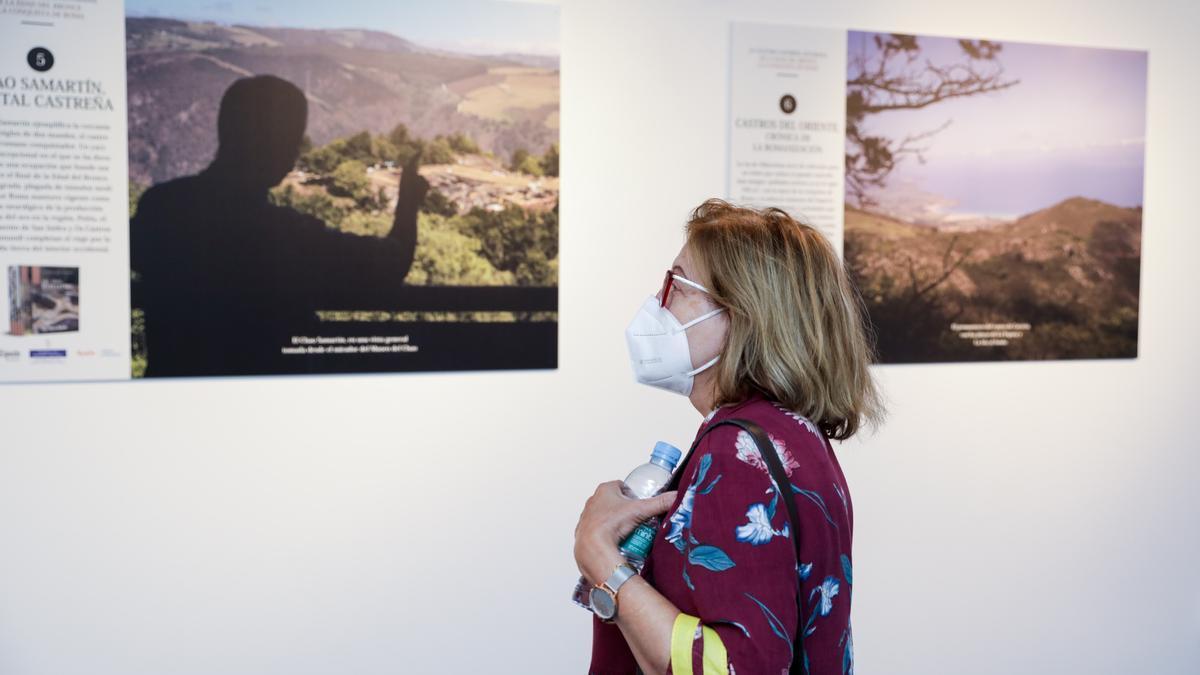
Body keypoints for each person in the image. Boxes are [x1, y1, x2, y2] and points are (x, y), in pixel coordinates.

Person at [575, 199, 883, 674]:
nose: (658, 301)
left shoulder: (738, 453)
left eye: (676, 284)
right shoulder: (790, 433)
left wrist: (599, 556)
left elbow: (739, 665)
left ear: (742, 313)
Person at [130, 75, 428, 377]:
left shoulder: (159, 208)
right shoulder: (288, 237)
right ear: (279, 149)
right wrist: (408, 201)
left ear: (226, 132)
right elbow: (393, 263)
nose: (294, 155)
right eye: (293, 144)